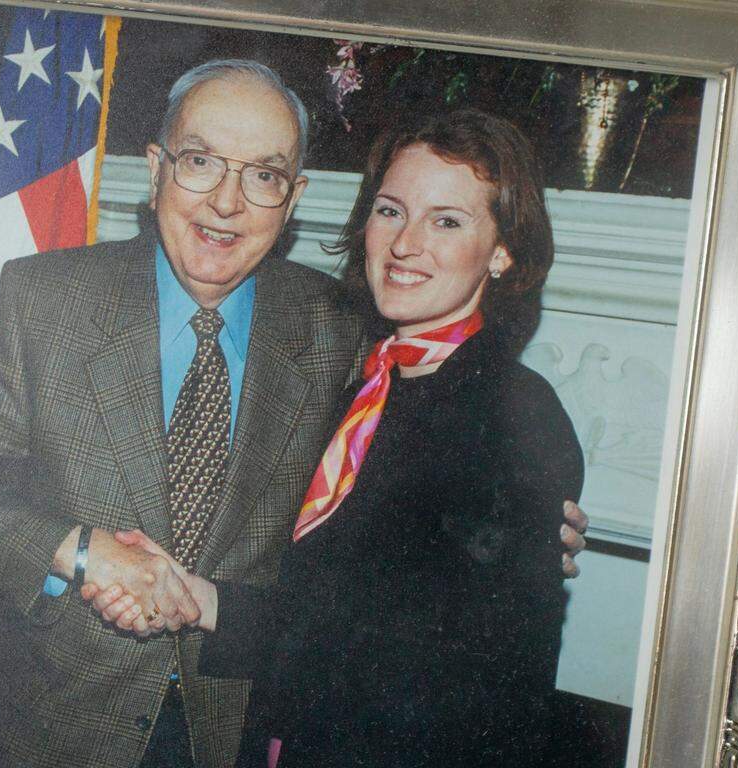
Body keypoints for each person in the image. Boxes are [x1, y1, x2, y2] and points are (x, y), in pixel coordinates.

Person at [0, 60, 587, 768]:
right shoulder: (47, 302)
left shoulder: (340, 332)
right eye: (201, 162)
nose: (226, 203)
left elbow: (424, 563)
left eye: (264, 176)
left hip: (239, 738)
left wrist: (524, 533)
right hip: (48, 737)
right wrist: (78, 550)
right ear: (155, 168)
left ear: (295, 196)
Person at [90, 108, 584, 767]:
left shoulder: (517, 412)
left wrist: (205, 605)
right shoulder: (359, 379)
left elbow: (436, 671)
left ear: (502, 251)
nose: (405, 243)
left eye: (447, 220)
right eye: (390, 210)